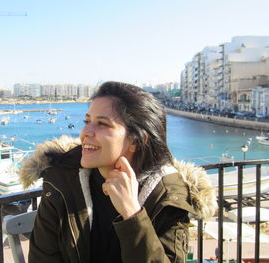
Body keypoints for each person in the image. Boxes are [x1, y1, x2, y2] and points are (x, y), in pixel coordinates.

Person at [20, 81, 217, 263]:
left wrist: (132, 214)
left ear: (137, 140)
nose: (85, 132)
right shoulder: (61, 178)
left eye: (102, 124)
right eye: (87, 121)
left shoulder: (167, 194)